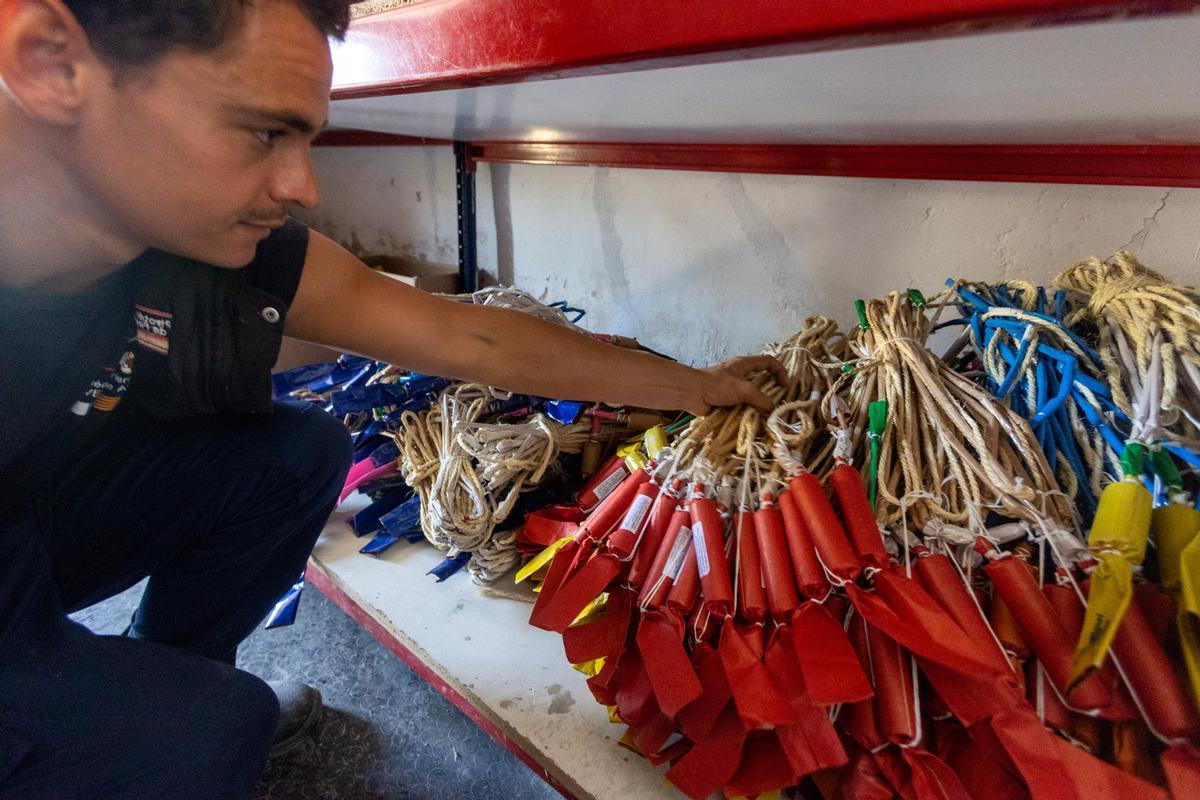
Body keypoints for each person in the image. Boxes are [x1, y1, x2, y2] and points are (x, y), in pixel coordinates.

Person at [0, 1, 786, 797]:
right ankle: (142, 729)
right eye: (263, 133)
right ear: (51, 65)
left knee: (293, 455)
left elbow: (470, 339)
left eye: (307, 137)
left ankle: (157, 679)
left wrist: (700, 388)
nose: (302, 185)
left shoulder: (182, 240)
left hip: (25, 517)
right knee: (202, 736)